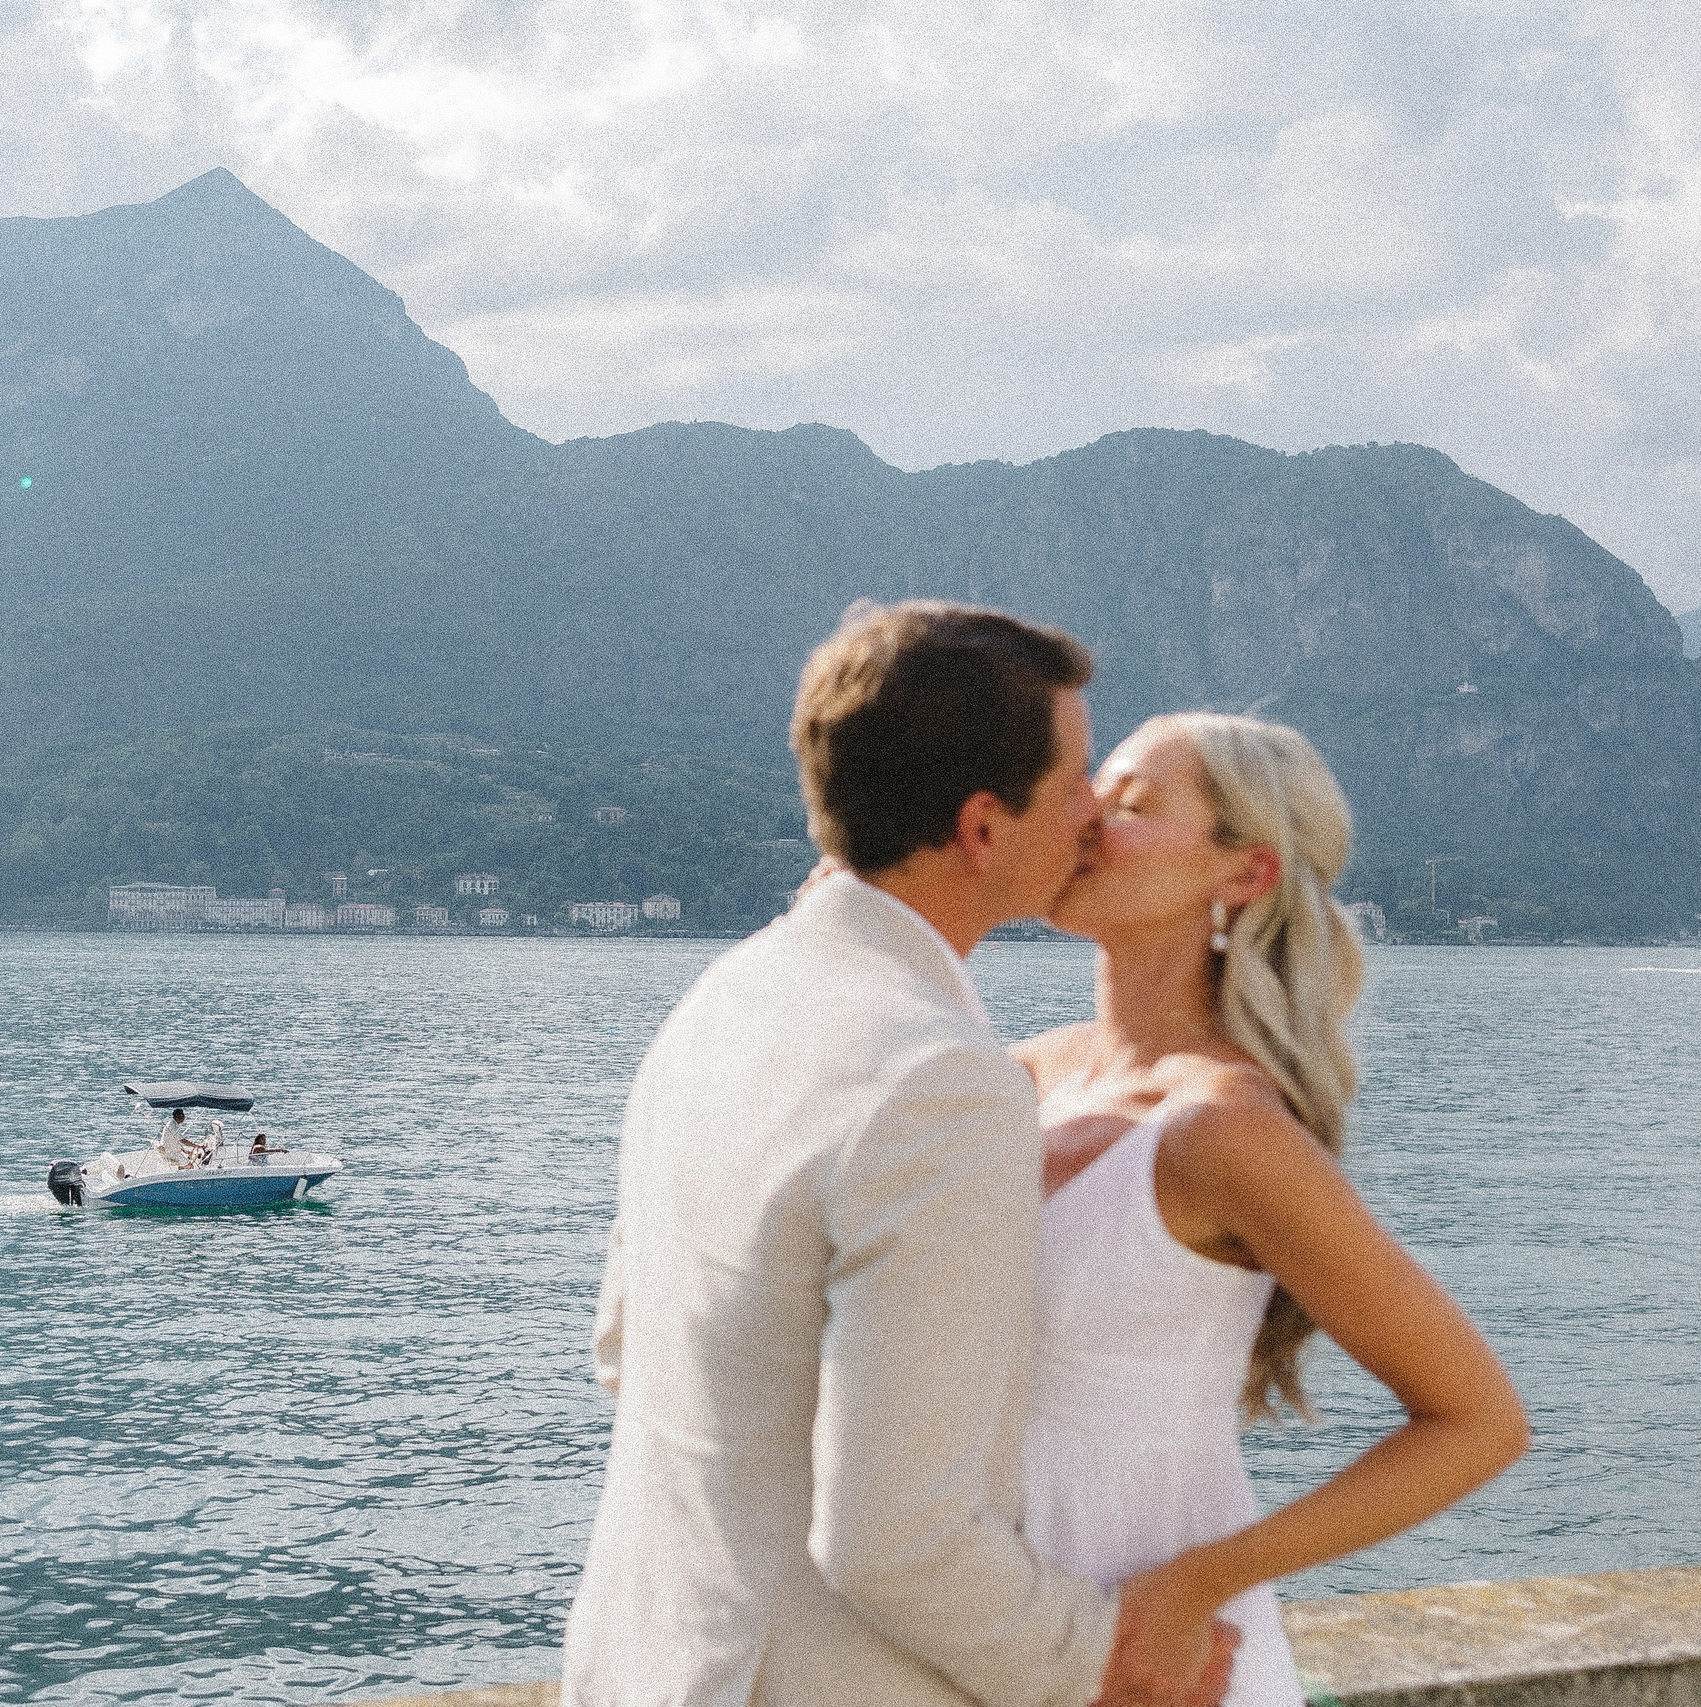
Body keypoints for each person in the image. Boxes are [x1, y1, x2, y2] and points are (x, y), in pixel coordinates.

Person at [564, 601, 1234, 1707]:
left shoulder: (720, 1000)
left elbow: (626, 1350)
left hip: (645, 1661)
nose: (1091, 813)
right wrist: (1100, 1657)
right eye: (1072, 781)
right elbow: (896, 1541)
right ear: (982, 828)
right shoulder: (941, 1083)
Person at [1012, 712, 1528, 1706]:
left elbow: (1479, 1421)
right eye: (1086, 792)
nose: (1080, 822)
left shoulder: (1224, 1134)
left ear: (1241, 874)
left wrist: (1198, 1582)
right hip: (987, 1638)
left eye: (1127, 806)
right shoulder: (1011, 1079)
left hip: (1162, 1657)